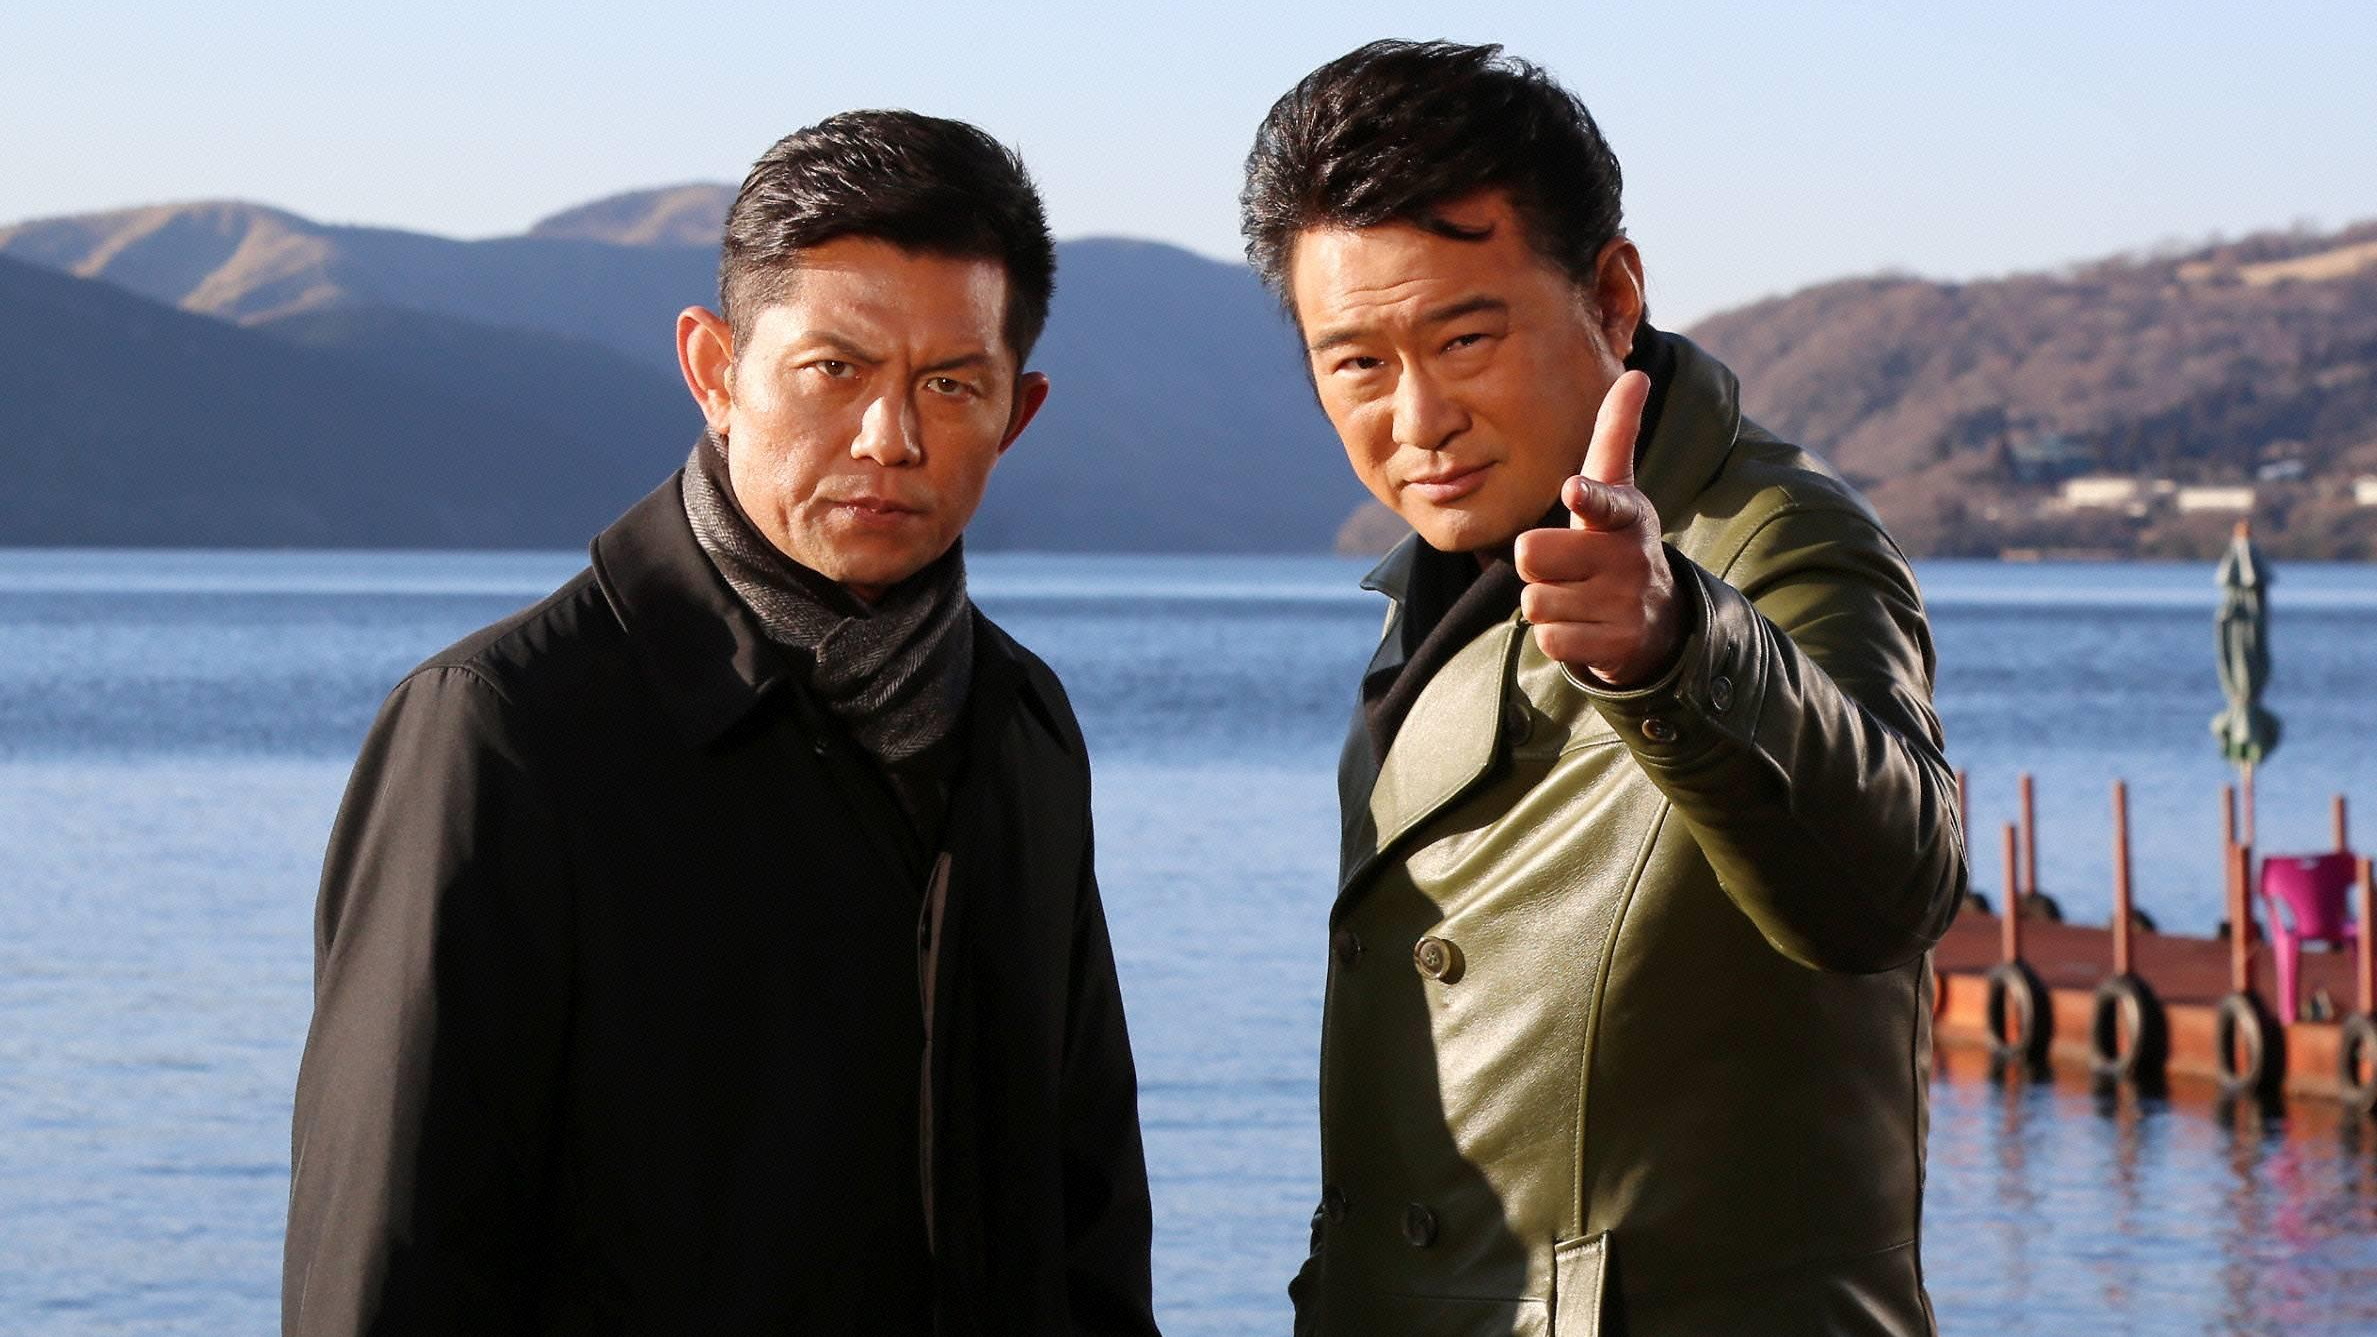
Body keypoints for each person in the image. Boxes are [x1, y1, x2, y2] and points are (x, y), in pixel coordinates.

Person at [284, 111, 1161, 1335]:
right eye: (834, 369)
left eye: (951, 384)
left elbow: (1089, 1220)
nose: (891, 437)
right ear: (715, 371)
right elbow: (387, 1257)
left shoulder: (1021, 723)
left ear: (1016, 412)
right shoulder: (505, 728)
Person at [1240, 42, 1966, 1336]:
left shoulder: (1767, 539)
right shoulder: (1447, 575)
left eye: (1466, 336)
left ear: (1613, 293)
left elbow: (1894, 885)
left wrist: (1677, 645)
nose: (1418, 417)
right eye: (1355, 363)